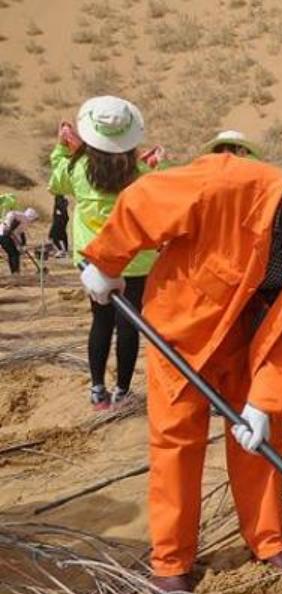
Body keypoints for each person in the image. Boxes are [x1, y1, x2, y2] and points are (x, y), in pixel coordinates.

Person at [78, 142, 282, 594]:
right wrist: (106, 262)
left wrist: (266, 402)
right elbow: (143, 203)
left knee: (261, 438)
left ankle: (268, 540)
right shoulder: (226, 184)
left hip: (251, 340)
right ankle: (171, 561)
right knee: (176, 442)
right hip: (182, 331)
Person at [49, 95, 158, 411]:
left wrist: (61, 147)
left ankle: (98, 391)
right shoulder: (140, 173)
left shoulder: (78, 167)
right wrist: (154, 165)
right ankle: (123, 391)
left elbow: (57, 182)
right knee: (129, 325)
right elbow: (157, 195)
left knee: (100, 321)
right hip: (136, 260)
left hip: (94, 261)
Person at [0, 207, 38, 275]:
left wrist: (20, 246)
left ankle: (14, 272)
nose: (34, 221)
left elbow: (17, 234)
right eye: (34, 219)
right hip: (3, 235)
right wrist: (8, 226)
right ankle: (15, 272)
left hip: (5, 235)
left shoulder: (25, 223)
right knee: (14, 254)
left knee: (12, 253)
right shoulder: (23, 217)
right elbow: (11, 213)